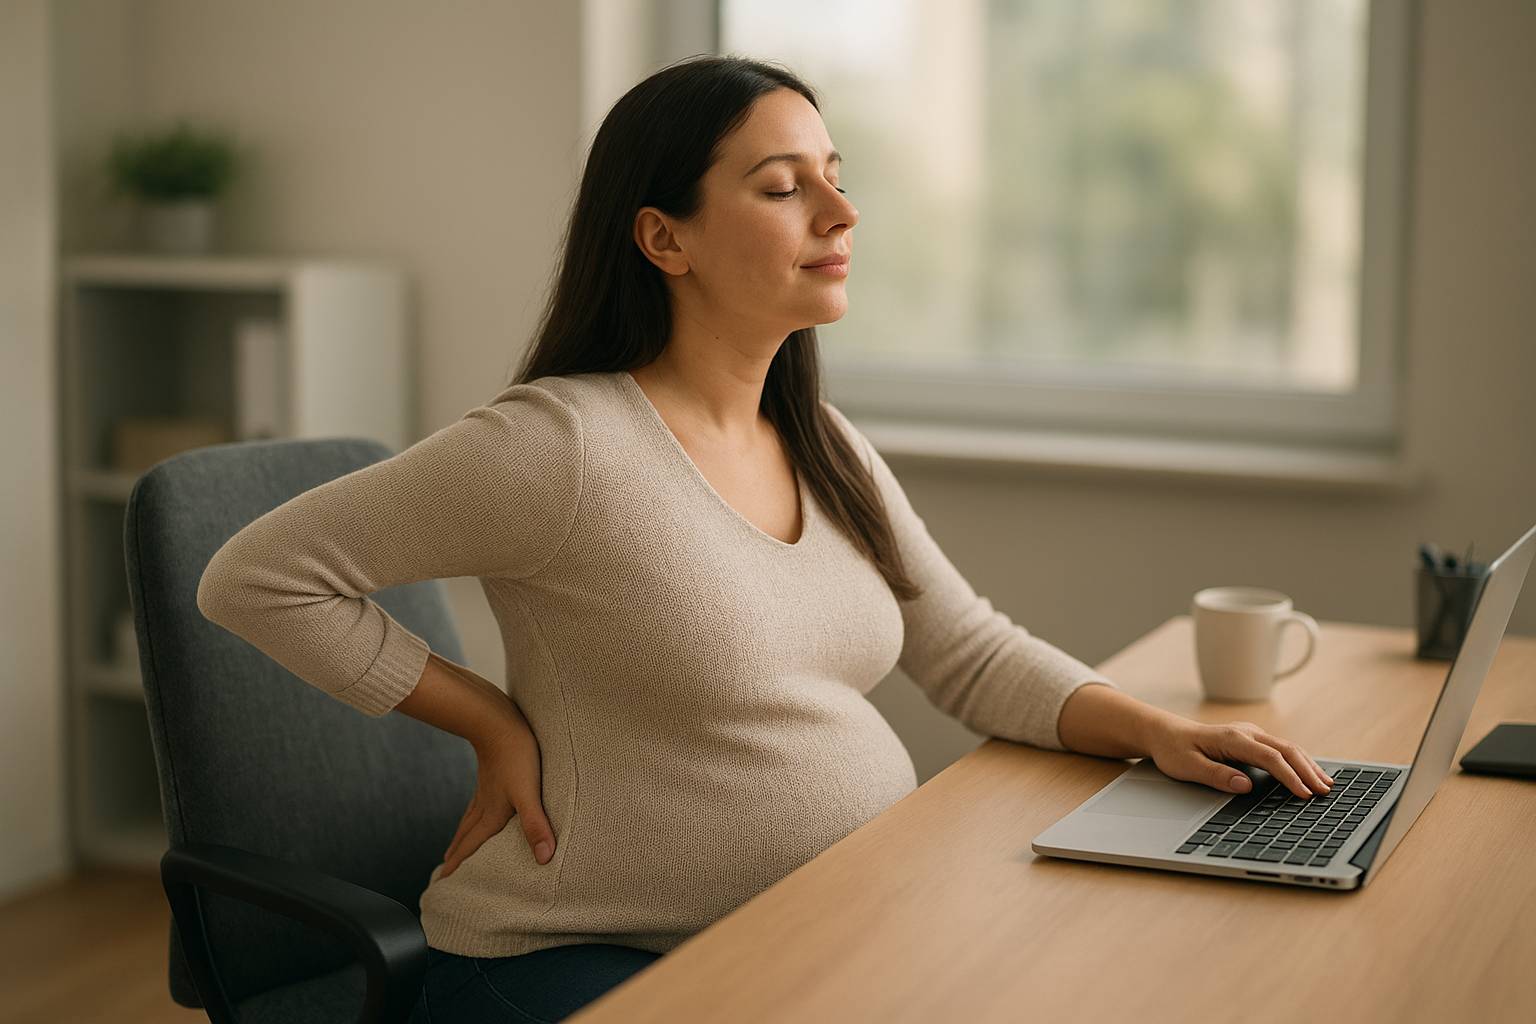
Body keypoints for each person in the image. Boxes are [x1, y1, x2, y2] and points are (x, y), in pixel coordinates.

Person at [196, 54, 1335, 1023]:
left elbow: (968, 651)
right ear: (665, 238)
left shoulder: (820, 439)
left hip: (812, 933)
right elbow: (256, 578)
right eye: (785, 188)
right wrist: (488, 717)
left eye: (837, 179)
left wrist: (1158, 733)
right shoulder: (562, 446)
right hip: (576, 960)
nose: (840, 214)